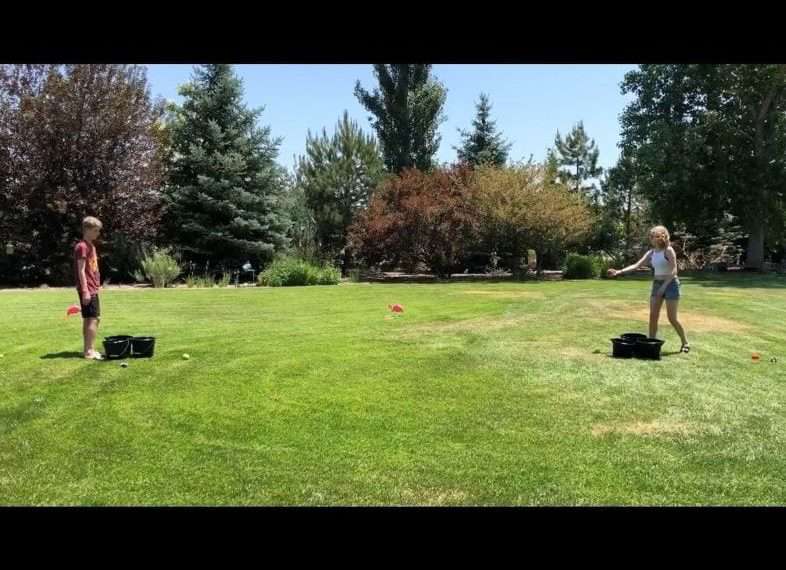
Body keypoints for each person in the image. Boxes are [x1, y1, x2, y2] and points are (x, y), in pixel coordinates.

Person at [607, 225, 690, 353]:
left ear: (663, 236)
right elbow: (637, 265)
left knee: (671, 318)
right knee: (653, 315)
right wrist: (619, 271)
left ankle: (685, 342)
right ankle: (650, 344)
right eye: (651, 236)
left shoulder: (668, 250)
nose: (653, 238)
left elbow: (674, 270)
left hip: (671, 284)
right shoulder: (651, 252)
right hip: (657, 283)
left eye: (656, 236)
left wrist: (664, 286)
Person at [74, 216, 104, 360]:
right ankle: (89, 351)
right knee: (94, 318)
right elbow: (81, 270)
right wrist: (85, 290)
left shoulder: (91, 246)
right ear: (87, 230)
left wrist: (98, 283)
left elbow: (93, 269)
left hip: (93, 287)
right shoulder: (82, 247)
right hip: (88, 289)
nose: (98, 233)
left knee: (88, 319)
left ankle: (87, 349)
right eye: (95, 231)